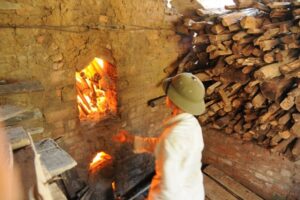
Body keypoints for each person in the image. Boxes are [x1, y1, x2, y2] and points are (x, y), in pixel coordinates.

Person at [114, 72, 206, 200]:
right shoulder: (192, 125)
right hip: (193, 192)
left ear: (174, 100)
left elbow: (169, 188)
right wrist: (130, 139)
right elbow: (162, 145)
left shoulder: (172, 137)